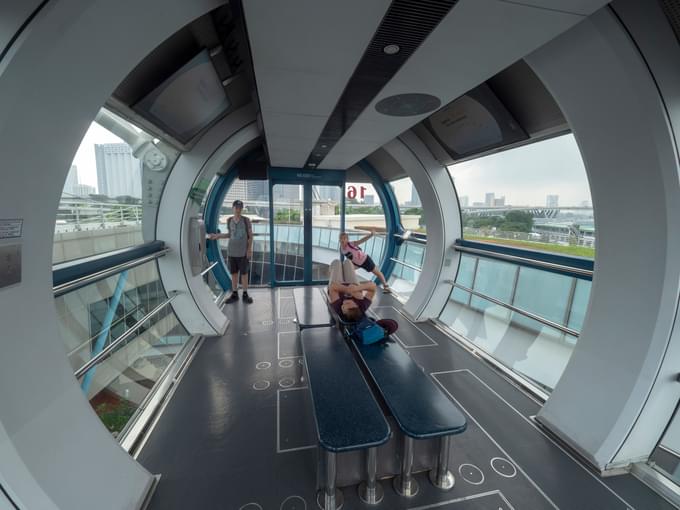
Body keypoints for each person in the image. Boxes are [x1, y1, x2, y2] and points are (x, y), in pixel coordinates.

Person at [327, 259, 398, 335]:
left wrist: (347, 289)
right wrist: (357, 288)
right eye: (347, 303)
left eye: (343, 307)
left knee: (336, 262)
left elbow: (333, 287)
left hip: (338, 286)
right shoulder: (362, 305)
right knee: (348, 262)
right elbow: (373, 286)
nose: (343, 304)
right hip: (353, 284)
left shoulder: (338, 307)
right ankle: (346, 271)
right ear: (356, 305)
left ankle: (333, 270)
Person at [206, 199, 253, 303]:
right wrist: (217, 236)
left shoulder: (246, 220)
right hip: (232, 252)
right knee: (234, 274)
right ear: (233, 208)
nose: (238, 210)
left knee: (244, 274)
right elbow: (230, 235)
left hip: (243, 252)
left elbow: (250, 236)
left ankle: (245, 294)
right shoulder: (229, 220)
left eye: (240, 208)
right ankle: (235, 294)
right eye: (236, 207)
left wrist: (249, 250)